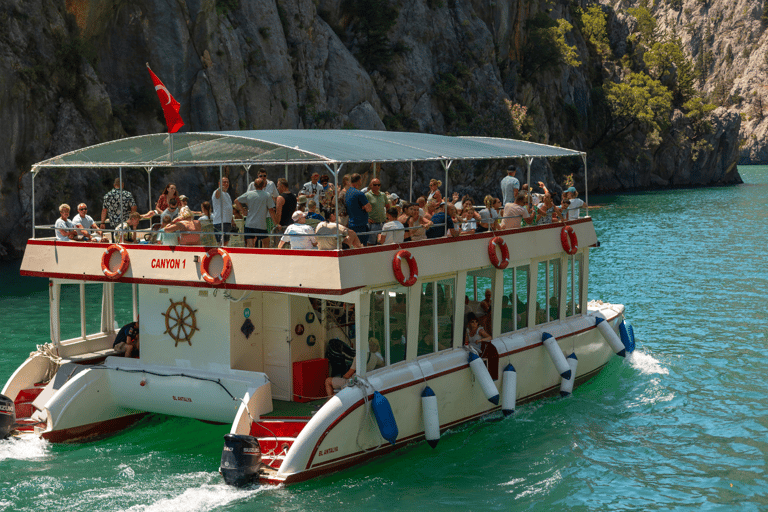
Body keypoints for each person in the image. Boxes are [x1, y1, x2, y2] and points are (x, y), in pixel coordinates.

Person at [235, 177, 276, 248]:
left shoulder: (249, 194)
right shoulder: (267, 195)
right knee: (266, 243)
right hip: (261, 225)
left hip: (249, 224)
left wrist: (243, 211)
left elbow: (236, 201)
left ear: (254, 185)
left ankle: (250, 258)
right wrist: (276, 223)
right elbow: (271, 211)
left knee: (250, 245)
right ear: (264, 185)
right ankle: (263, 257)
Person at [346, 173, 372, 245]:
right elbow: (369, 209)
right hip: (360, 225)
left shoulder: (348, 192)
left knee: (354, 246)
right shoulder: (359, 193)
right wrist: (364, 206)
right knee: (361, 247)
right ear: (359, 181)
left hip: (351, 224)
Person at [366, 178, 388, 245]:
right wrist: (367, 219)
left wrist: (387, 217)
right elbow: (362, 209)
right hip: (373, 224)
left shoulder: (383, 195)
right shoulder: (367, 195)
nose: (377, 187)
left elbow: (387, 206)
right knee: (371, 244)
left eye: (379, 185)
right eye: (375, 185)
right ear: (371, 185)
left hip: (383, 223)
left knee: (382, 243)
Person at [211, 176, 233, 244]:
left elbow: (229, 208)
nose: (226, 183)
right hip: (219, 222)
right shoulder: (216, 192)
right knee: (221, 243)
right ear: (219, 183)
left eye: (227, 182)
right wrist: (220, 188)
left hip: (227, 222)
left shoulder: (227, 195)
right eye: (224, 182)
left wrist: (232, 220)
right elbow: (217, 195)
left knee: (226, 242)